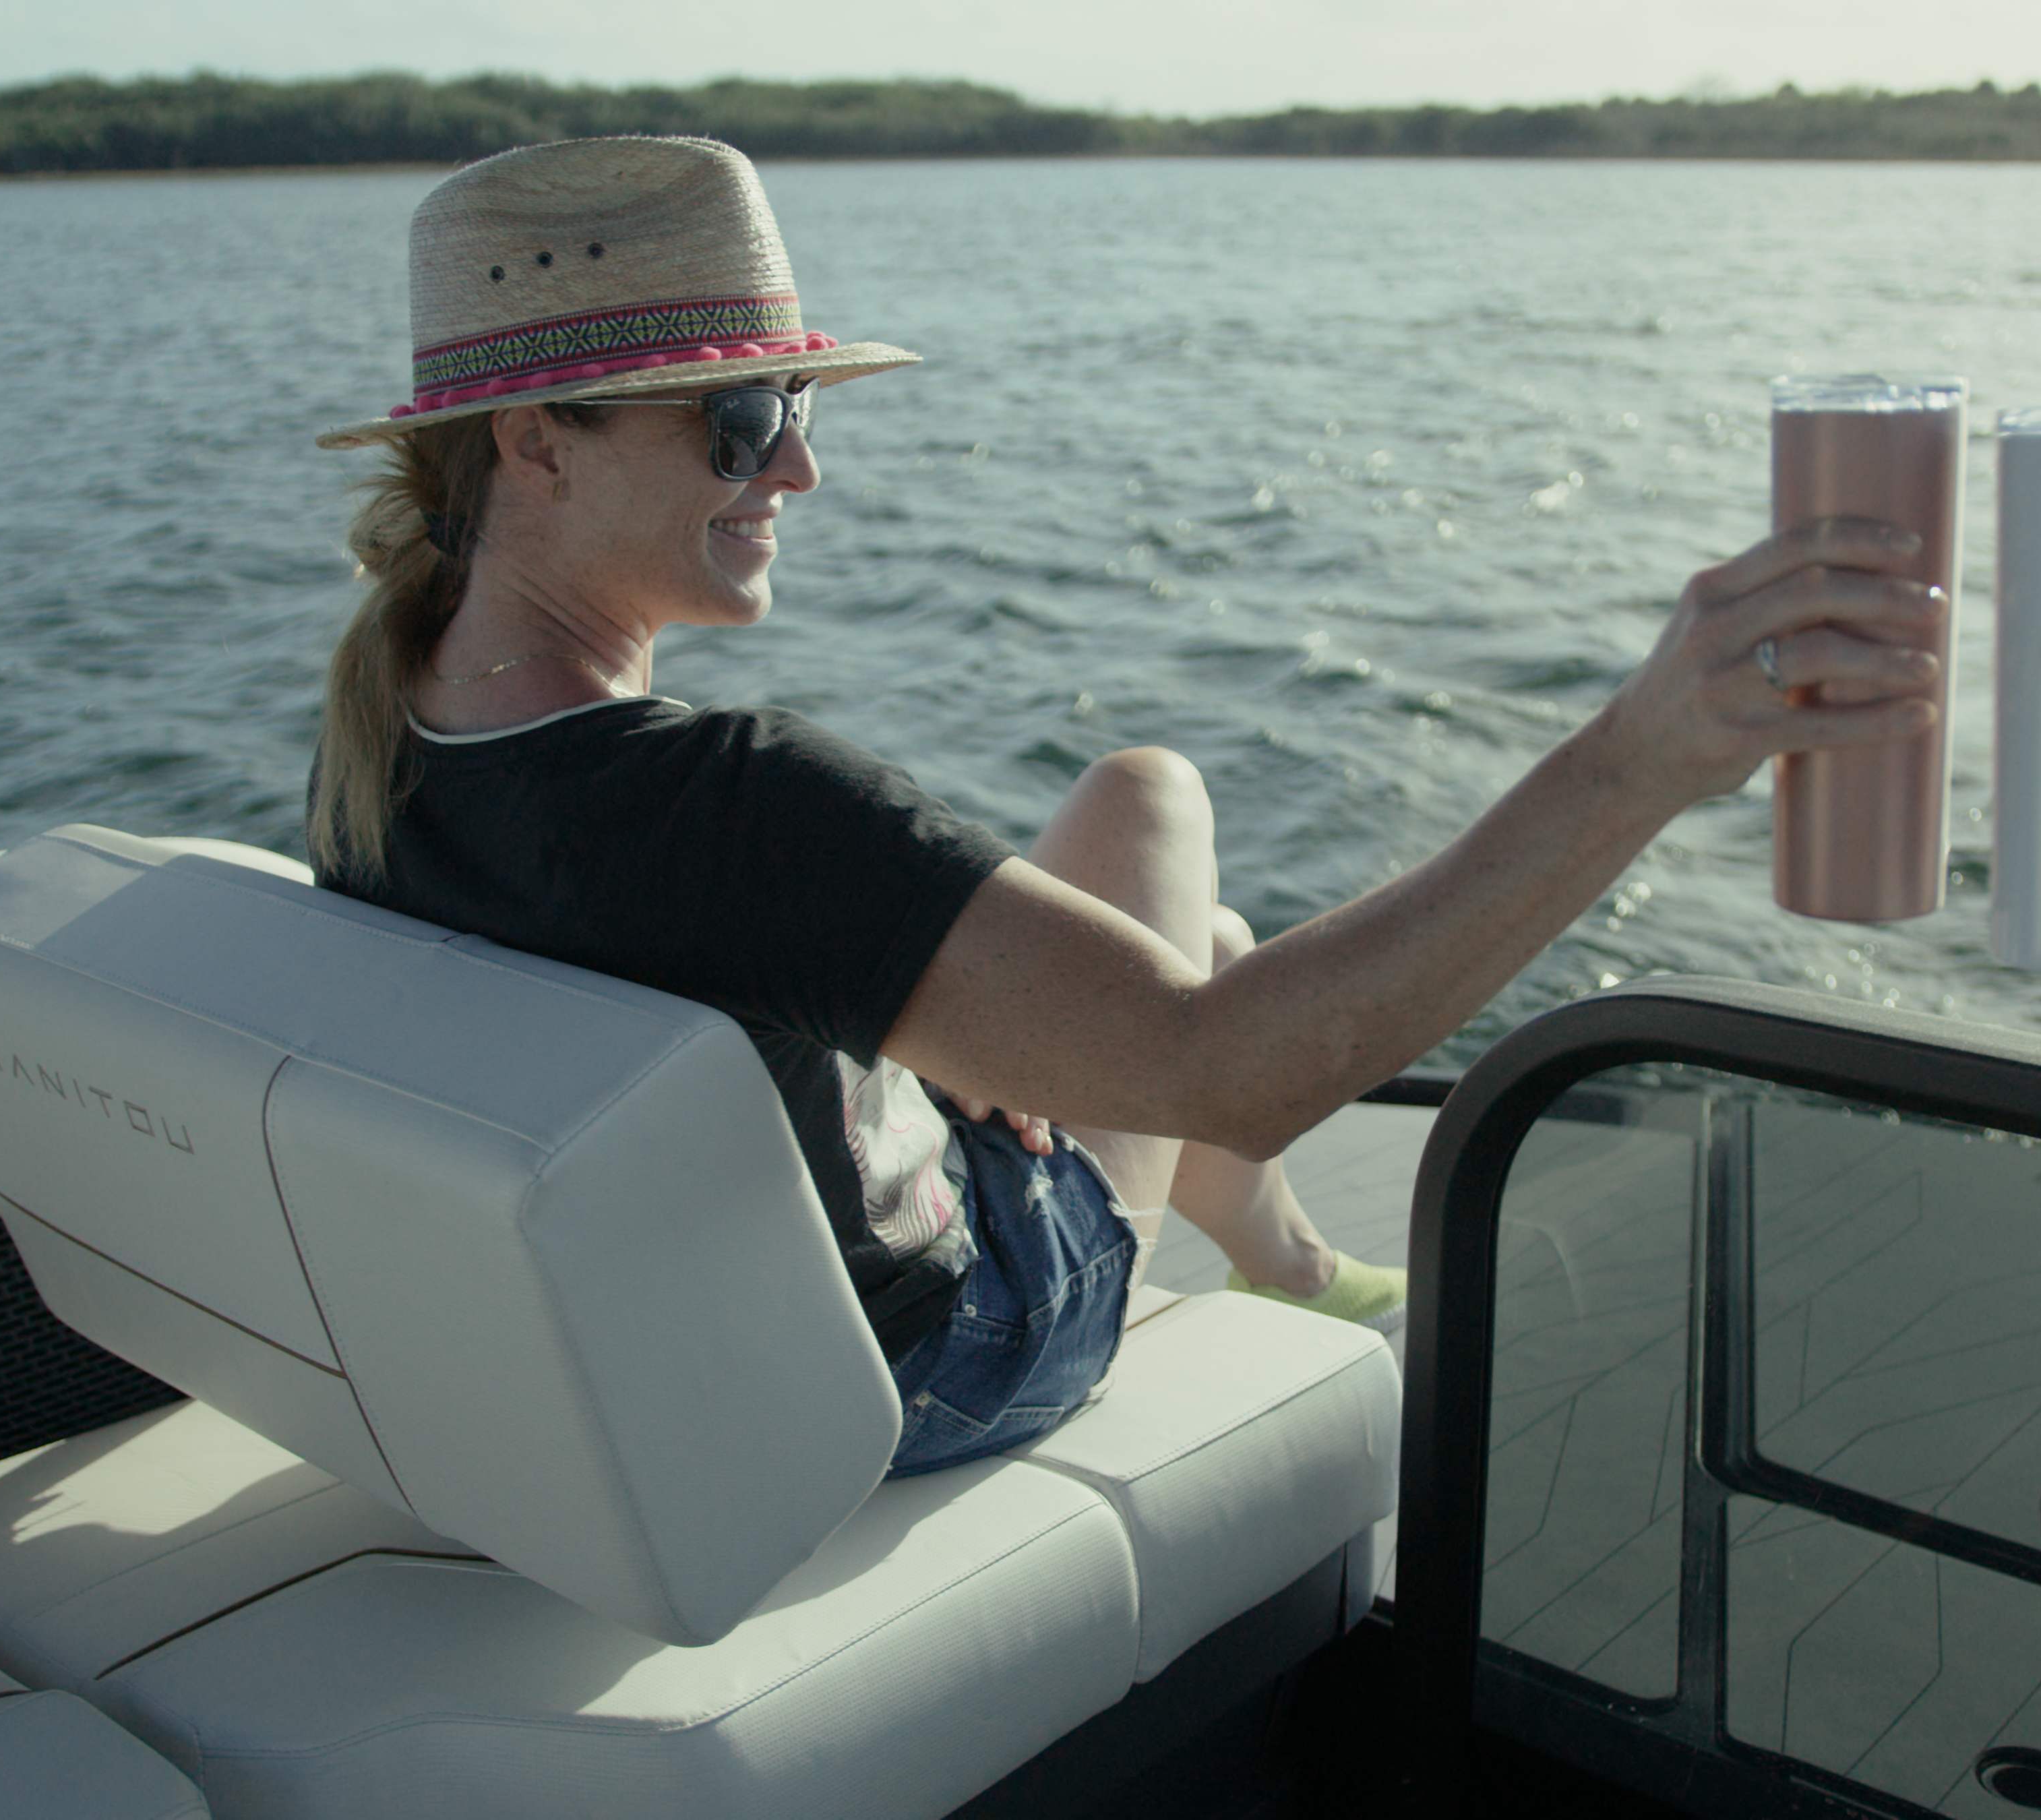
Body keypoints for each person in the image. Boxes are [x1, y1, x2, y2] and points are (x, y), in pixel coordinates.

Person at [308, 137, 1942, 1477]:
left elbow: (693, 976)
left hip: (676, 1341)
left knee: (1161, 889)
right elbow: (1235, 1077)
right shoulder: (729, 809)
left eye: (802, 413)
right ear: (535, 443)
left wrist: (932, 1045)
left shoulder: (390, 738)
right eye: (742, 424)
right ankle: (1292, 1268)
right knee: (1164, 835)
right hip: (938, 1368)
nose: (796, 473)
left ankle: (1292, 1264)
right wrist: (1639, 756)